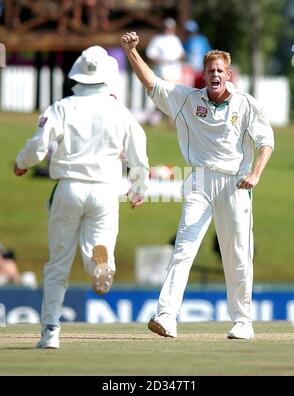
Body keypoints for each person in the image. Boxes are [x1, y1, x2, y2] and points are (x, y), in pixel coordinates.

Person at [121, 32, 274, 340]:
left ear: (228, 75)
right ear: (203, 75)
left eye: (220, 71)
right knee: (183, 249)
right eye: (210, 71)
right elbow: (151, 83)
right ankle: (166, 316)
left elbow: (266, 142)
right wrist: (131, 51)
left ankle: (243, 321)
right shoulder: (187, 99)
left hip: (235, 182)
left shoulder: (246, 104)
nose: (215, 75)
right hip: (199, 181)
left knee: (238, 254)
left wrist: (256, 174)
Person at [14, 45, 149, 348]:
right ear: (108, 78)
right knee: (98, 246)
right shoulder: (120, 112)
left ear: (78, 75)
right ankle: (99, 264)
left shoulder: (63, 107)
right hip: (104, 190)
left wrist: (21, 164)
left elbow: (38, 146)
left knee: (58, 264)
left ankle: (50, 331)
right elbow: (138, 152)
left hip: (69, 188)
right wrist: (139, 186)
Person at [145, 18, 185, 125]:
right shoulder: (157, 39)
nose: (168, 30)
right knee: (162, 96)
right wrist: (160, 60)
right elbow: (150, 54)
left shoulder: (175, 40)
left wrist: (177, 59)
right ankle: (157, 118)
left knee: (173, 95)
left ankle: (171, 120)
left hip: (175, 71)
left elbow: (182, 54)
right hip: (162, 70)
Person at [183, 19, 212, 89]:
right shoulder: (202, 39)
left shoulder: (190, 41)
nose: (188, 33)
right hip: (195, 69)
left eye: (189, 32)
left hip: (199, 69)